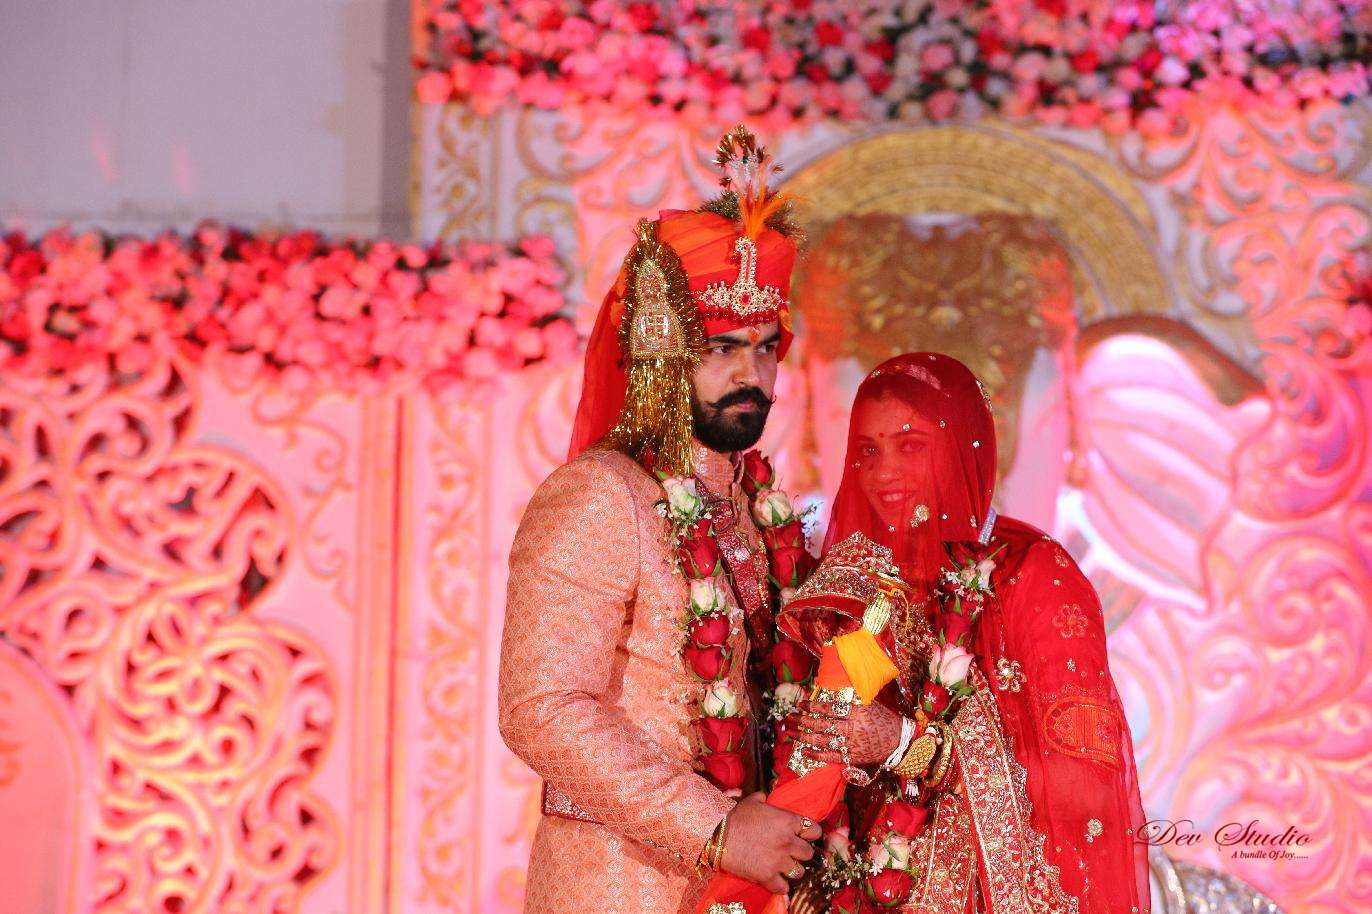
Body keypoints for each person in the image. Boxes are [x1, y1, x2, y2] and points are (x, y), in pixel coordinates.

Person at [499, 127, 822, 914]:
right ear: (664, 356)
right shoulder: (599, 496)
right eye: (722, 349)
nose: (751, 373)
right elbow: (540, 709)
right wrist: (716, 829)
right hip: (621, 888)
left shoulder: (760, 510)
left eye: (766, 348)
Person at [781, 352, 1151, 914]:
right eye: (868, 451)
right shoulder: (865, 586)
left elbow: (1080, 783)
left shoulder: (1033, 572)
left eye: (910, 446)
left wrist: (907, 745)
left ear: (959, 448)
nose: (883, 474)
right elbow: (831, 741)